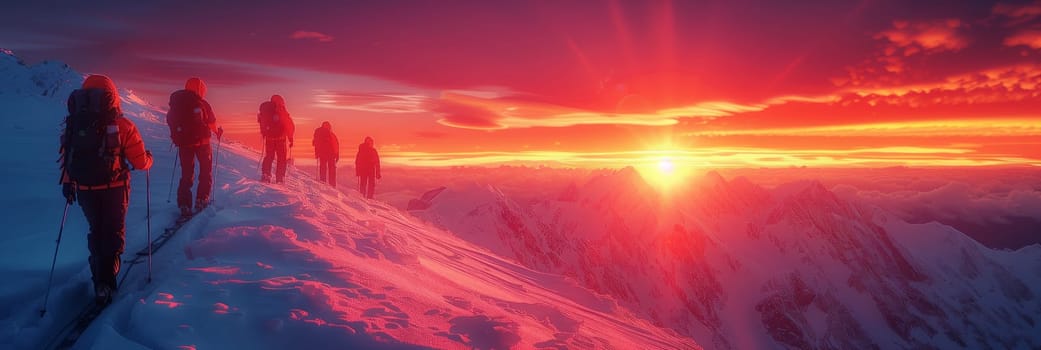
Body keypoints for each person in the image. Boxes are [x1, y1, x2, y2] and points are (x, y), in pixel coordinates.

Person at [60, 75, 154, 304]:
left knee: (96, 229)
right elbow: (140, 162)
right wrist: (149, 160)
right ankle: (106, 283)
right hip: (115, 187)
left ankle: (98, 275)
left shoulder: (73, 124)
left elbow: (68, 156)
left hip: (83, 188)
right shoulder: (122, 125)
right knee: (113, 231)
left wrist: (67, 182)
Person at [167, 77, 222, 218]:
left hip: (184, 144)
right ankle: (201, 199)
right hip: (202, 143)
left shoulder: (177, 104)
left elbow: (170, 120)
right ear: (201, 89)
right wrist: (217, 132)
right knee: (205, 171)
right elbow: (212, 123)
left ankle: (184, 204)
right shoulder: (202, 104)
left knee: (186, 173)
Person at [258, 95, 295, 183]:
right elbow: (289, 125)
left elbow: (261, 122)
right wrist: (290, 138)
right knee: (281, 158)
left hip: (269, 138)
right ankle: (280, 178)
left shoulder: (266, 110)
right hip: (280, 139)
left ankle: (266, 174)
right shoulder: (282, 110)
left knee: (269, 156)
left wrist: (264, 133)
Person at [312, 121, 340, 187]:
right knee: (330, 169)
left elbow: (315, 143)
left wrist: (317, 153)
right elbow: (335, 145)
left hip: (326, 153)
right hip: (329, 153)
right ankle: (331, 184)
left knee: (324, 168)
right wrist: (337, 154)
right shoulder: (329, 134)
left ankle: (325, 182)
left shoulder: (320, 132)